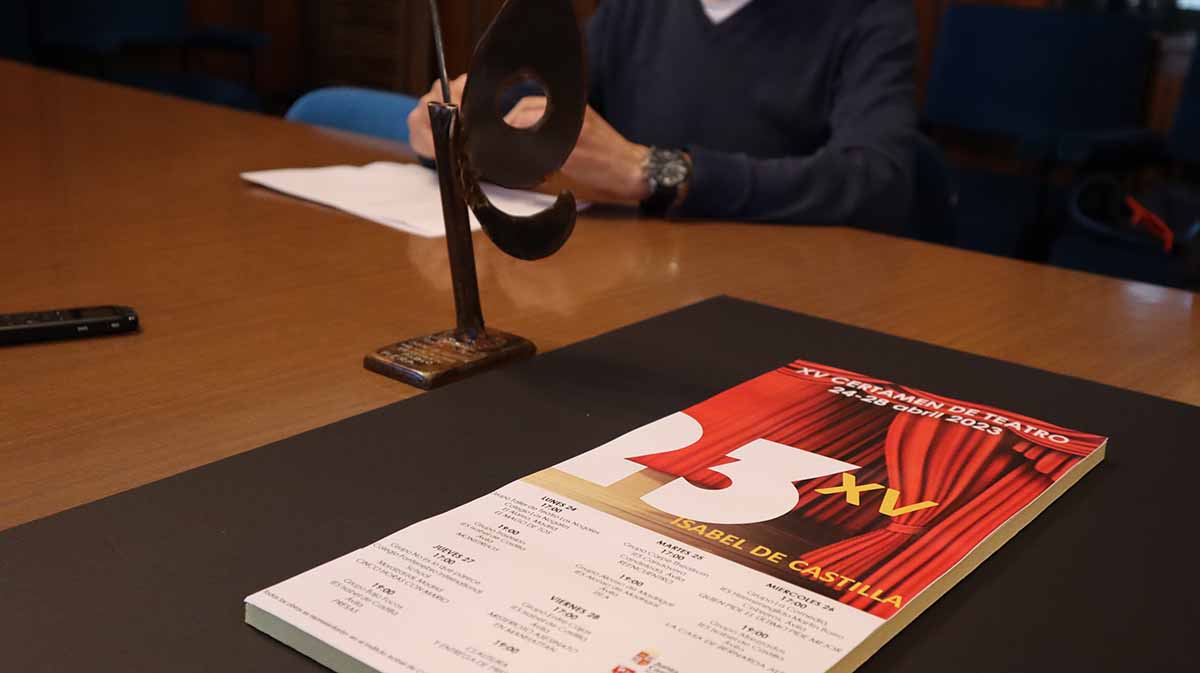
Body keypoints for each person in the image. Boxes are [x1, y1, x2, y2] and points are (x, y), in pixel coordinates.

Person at [408, 0, 917, 231]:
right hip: (640, 273)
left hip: (785, 283)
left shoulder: (870, 13)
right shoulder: (637, 8)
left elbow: (878, 178)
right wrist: (460, 132)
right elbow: (552, 115)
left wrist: (656, 171)